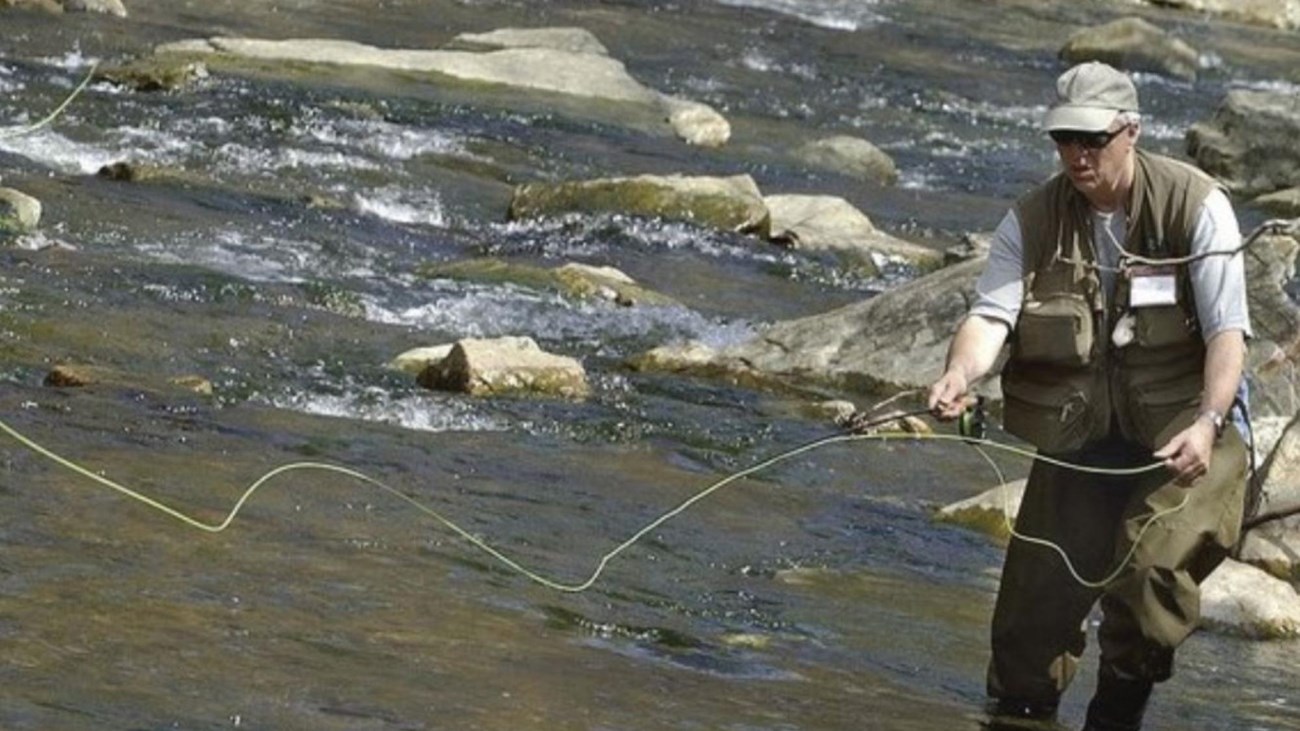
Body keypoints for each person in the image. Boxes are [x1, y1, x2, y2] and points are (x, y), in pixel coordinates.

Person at [927, 62, 1250, 731]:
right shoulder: (1033, 219)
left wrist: (1209, 420)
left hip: (1189, 437)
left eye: (1092, 139)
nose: (1076, 154)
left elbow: (1227, 336)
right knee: (1024, 631)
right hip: (1085, 444)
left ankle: (1114, 717)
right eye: (1063, 139)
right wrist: (962, 373)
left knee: (1149, 581)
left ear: (1131, 132)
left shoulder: (1196, 206)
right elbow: (992, 317)